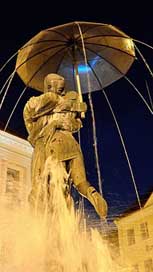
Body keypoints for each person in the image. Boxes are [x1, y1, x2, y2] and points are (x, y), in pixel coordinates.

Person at [23, 73, 108, 219]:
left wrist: (71, 106)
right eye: (61, 88)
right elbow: (74, 124)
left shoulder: (40, 101)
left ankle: (40, 227)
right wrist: (75, 106)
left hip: (51, 143)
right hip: (72, 145)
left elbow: (32, 110)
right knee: (80, 182)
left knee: (40, 188)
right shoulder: (69, 106)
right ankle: (92, 193)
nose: (62, 91)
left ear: (48, 87)